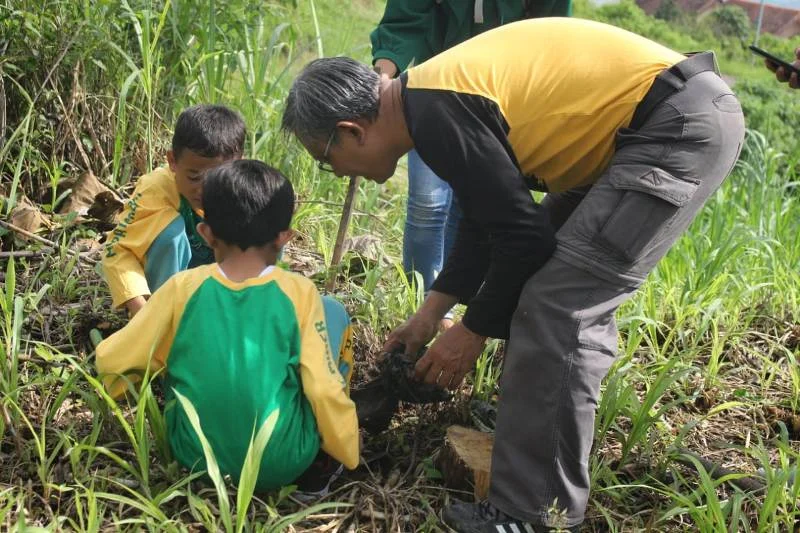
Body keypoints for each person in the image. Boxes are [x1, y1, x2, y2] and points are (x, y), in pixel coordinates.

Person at [281, 18, 744, 532]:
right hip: (647, 125)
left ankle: (533, 513)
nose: (337, 172)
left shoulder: (435, 109)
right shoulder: (426, 102)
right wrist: (432, 314)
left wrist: (471, 333)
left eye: (326, 160)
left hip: (670, 127)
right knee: (540, 281)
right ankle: (532, 436)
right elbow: (489, 220)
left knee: (557, 305)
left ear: (351, 131)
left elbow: (522, 240)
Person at [95, 160, 359, 494]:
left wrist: (110, 392)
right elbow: (323, 387)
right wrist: (348, 449)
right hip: (283, 461)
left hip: (194, 459)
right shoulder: (299, 293)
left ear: (206, 233)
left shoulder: (182, 288)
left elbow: (115, 363)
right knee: (333, 312)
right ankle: (325, 464)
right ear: (284, 238)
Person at [371, 0, 571, 329]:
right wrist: (383, 76)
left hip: (499, 99)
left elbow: (549, 33)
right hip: (431, 92)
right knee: (427, 204)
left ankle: (444, 309)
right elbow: (405, 20)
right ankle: (420, 304)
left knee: (471, 208)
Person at [103, 104, 245, 318]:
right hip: (167, 286)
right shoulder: (155, 190)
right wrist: (143, 314)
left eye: (218, 179)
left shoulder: (249, 189)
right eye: (194, 177)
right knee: (171, 234)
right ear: (173, 162)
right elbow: (118, 251)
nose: (205, 190)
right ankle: (166, 315)